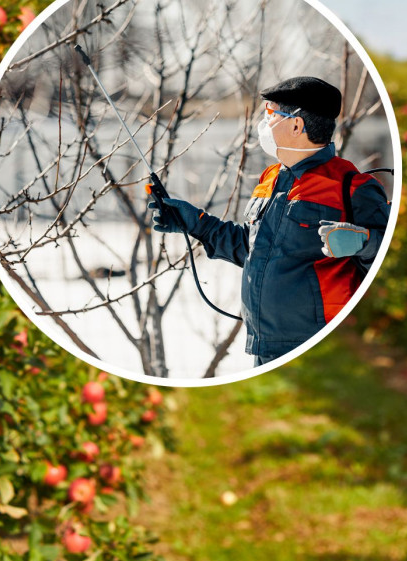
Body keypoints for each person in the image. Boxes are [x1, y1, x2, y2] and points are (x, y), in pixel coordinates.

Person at [149, 76, 391, 366]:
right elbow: (253, 248)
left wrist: (363, 243)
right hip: (265, 345)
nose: (263, 124)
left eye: (270, 114)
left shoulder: (352, 188)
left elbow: (387, 266)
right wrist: (196, 223)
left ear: (296, 125)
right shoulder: (271, 178)